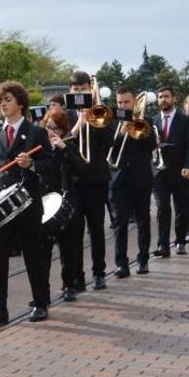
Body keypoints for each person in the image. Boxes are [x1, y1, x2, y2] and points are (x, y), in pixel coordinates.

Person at [0, 81, 54, 327]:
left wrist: (32, 165)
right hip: (1, 203)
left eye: (8, 100)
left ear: (20, 103)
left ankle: (40, 303)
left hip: (27, 202)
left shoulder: (36, 132)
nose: (3, 105)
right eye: (1, 101)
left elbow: (50, 164)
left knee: (32, 254)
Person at [67, 71, 113, 290]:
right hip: (74, 182)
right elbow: (61, 141)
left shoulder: (100, 113)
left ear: (90, 90)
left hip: (96, 179)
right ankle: (77, 276)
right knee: (74, 232)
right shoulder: (64, 114)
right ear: (70, 91)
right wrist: (79, 123)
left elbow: (109, 141)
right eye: (75, 89)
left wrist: (95, 121)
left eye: (83, 88)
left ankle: (99, 273)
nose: (79, 92)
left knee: (96, 229)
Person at [39, 108, 86, 302]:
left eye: (56, 128)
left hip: (66, 200)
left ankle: (69, 285)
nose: (51, 132)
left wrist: (64, 149)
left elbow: (81, 169)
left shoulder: (70, 145)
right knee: (43, 250)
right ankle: (42, 292)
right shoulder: (40, 147)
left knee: (68, 247)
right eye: (49, 127)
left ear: (63, 130)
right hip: (45, 200)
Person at [108, 87, 156, 276]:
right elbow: (109, 148)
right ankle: (122, 264)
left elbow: (151, 145)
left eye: (126, 102)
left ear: (135, 102)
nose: (122, 105)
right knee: (120, 223)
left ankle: (143, 260)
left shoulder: (147, 121)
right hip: (119, 180)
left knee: (143, 220)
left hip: (141, 178)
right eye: (119, 102)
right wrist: (121, 132)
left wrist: (139, 129)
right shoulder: (112, 122)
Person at [152, 86, 189, 257]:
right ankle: (163, 245)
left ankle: (180, 241)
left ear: (174, 99)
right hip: (160, 173)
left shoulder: (185, 120)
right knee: (162, 209)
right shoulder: (153, 121)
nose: (162, 100)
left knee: (181, 207)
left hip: (180, 170)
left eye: (166, 96)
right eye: (160, 97)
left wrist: (187, 165)